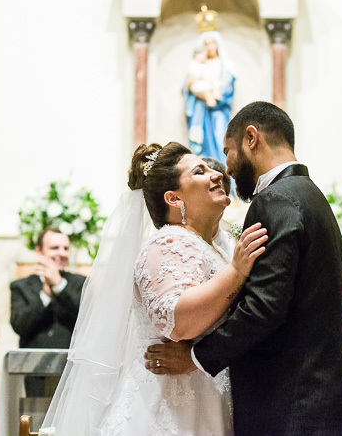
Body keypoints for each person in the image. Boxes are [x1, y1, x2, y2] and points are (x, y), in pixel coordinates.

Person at [147, 102, 342, 434]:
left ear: (251, 139)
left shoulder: (276, 199)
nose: (226, 170)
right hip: (312, 400)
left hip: (289, 406)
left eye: (227, 152)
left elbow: (263, 307)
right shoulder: (310, 195)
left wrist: (196, 357)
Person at [42, 142, 267, 434]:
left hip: (204, 396)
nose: (217, 174)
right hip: (166, 405)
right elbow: (177, 321)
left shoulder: (210, 246)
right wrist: (236, 273)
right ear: (173, 198)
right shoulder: (168, 242)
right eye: (200, 172)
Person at [10, 227, 86, 396]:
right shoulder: (21, 286)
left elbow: (86, 319)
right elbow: (19, 325)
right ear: (39, 251)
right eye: (54, 248)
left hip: (73, 373)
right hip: (34, 373)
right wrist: (45, 295)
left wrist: (59, 286)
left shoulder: (80, 283)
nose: (61, 253)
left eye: (65, 248)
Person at [184, 31, 235, 163]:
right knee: (200, 139)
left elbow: (229, 88)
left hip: (218, 109)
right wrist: (199, 92)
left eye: (212, 43)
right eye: (206, 44)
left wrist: (216, 97)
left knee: (220, 138)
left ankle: (223, 168)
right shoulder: (199, 63)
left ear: (217, 44)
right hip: (201, 109)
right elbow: (188, 87)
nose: (209, 47)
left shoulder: (224, 65)